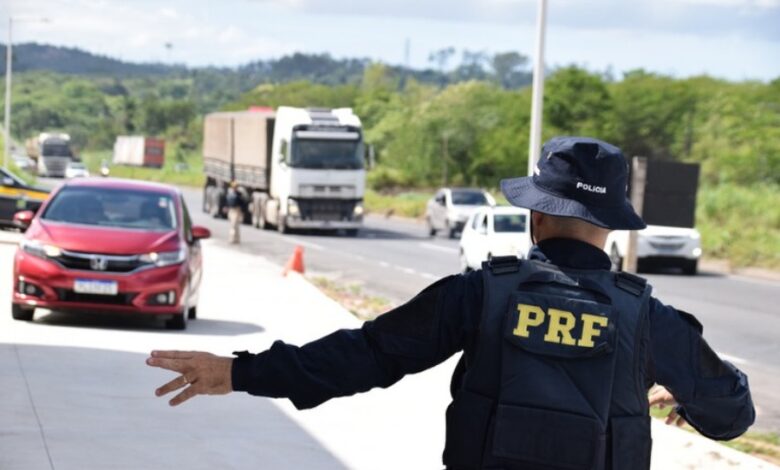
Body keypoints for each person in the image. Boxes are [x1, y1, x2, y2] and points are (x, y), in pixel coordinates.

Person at [147, 137, 754, 470]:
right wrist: (686, 393)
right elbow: (732, 414)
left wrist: (239, 372)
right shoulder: (647, 319)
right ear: (612, 224)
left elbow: (365, 357)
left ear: (536, 215)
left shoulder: (481, 292)